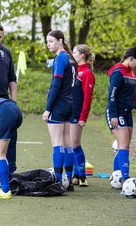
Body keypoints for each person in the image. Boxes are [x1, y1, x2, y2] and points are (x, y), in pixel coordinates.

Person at [106, 47, 136, 183]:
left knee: (125, 145)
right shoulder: (118, 73)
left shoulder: (132, 73)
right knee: (123, 143)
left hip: (127, 113)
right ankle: (125, 178)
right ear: (130, 58)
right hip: (117, 112)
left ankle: (116, 175)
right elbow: (112, 95)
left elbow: (133, 95)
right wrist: (113, 115)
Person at [43, 30, 76, 190]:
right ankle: (68, 181)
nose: (48, 44)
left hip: (59, 104)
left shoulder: (60, 58)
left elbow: (56, 86)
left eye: (51, 41)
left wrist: (48, 109)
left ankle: (57, 181)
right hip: (70, 104)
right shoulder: (72, 59)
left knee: (58, 144)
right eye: (47, 41)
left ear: (60, 40)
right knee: (67, 143)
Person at [0, 23, 18, 188]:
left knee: (10, 136)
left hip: (4, 101)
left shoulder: (5, 52)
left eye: (0, 37)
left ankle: (10, 173)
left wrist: (13, 100)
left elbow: (12, 78)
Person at [70, 44, 95, 187]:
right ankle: (75, 175)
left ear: (82, 55)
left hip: (77, 113)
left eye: (74, 52)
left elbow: (87, 97)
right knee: (70, 144)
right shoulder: (74, 70)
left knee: (75, 144)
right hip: (68, 112)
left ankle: (83, 176)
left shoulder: (87, 73)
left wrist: (83, 116)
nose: (72, 55)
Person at [0, 97, 22, 199]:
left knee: (0, 153)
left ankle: (5, 190)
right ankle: (7, 182)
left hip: (4, 112)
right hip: (15, 109)